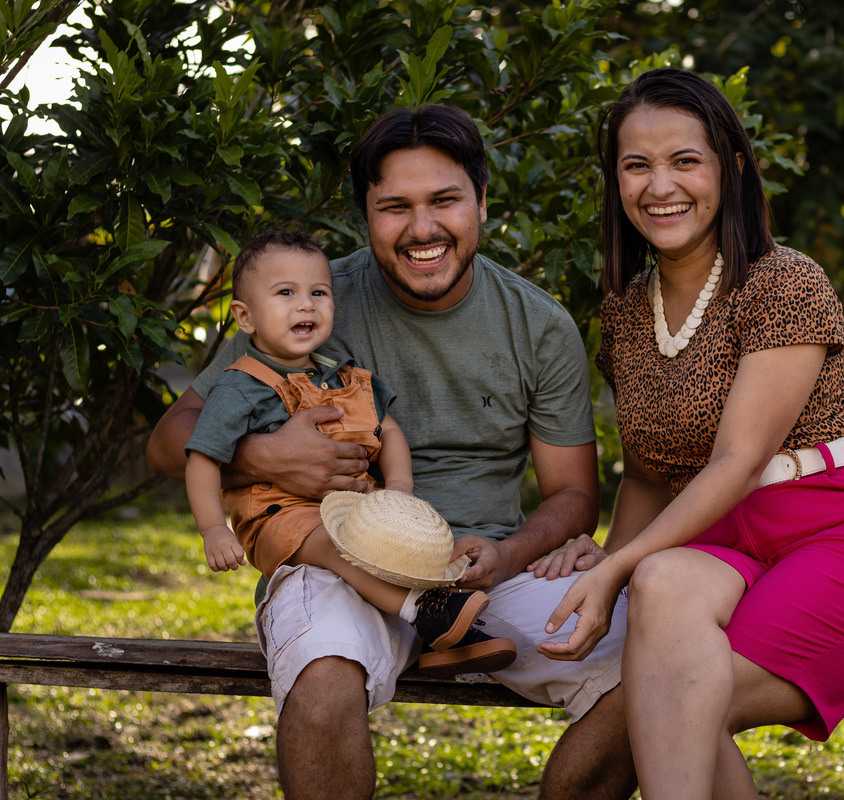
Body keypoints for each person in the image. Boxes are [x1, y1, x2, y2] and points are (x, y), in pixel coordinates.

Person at [146, 105, 636, 800]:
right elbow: (167, 441)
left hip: (488, 568)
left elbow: (574, 495)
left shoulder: (538, 324)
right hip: (340, 558)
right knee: (322, 677)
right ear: (365, 216)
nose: (422, 228)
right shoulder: (311, 301)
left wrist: (509, 554)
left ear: (482, 202)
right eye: (395, 207)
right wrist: (264, 457)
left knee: (653, 664)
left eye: (444, 201)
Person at [530, 67, 844, 799]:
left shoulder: (784, 282)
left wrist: (613, 571)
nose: (660, 186)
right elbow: (648, 473)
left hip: (842, 529)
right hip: (722, 547)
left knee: (654, 723)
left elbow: (739, 461)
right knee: (659, 596)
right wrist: (614, 557)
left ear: (733, 169)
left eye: (685, 160)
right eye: (636, 165)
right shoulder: (623, 312)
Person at [183, 229, 515, 678]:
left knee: (395, 547)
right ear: (245, 317)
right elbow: (203, 458)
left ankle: (450, 637)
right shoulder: (240, 386)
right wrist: (212, 530)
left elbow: (388, 430)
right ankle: (426, 611)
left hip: (350, 504)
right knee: (339, 546)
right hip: (278, 517)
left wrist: (399, 489)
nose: (306, 305)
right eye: (286, 293)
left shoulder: (344, 375)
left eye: (319, 293)